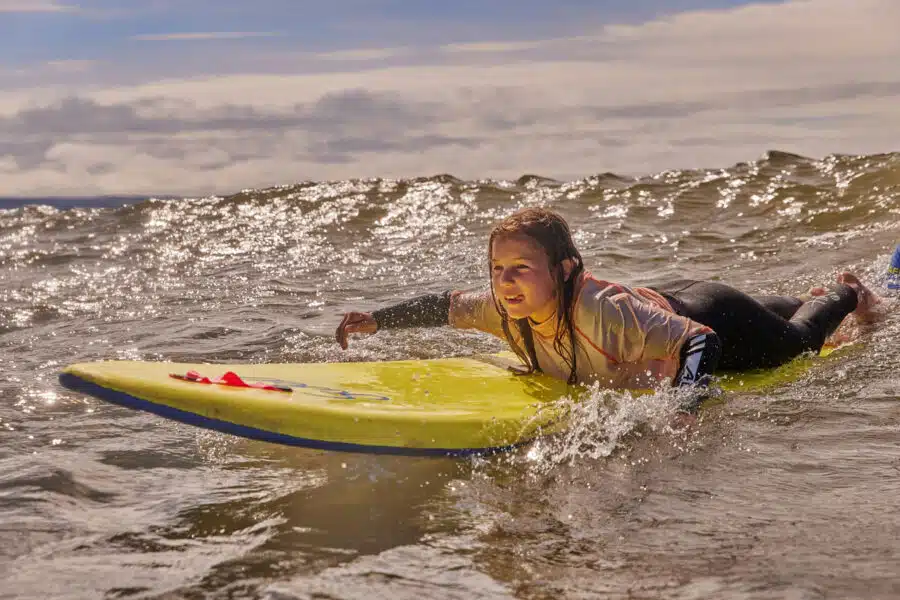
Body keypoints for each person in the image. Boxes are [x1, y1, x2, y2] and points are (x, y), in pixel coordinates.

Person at [334, 208, 880, 402]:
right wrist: (379, 319)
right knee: (762, 317)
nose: (505, 282)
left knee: (795, 348)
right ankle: (793, 301)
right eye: (497, 270)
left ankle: (848, 294)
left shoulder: (598, 310)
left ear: (565, 271)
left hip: (710, 317)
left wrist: (683, 410)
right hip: (674, 304)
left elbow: (700, 340)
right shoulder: (505, 308)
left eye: (521, 269)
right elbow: (446, 306)